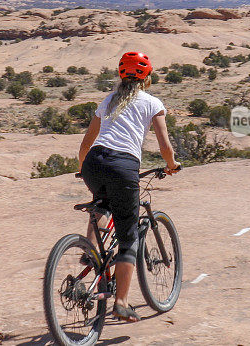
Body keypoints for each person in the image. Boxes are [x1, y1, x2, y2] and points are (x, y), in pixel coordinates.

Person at [77, 51, 180, 323]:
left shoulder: (109, 99)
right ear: (147, 77)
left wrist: (82, 169)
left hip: (94, 162)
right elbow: (165, 146)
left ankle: (91, 254)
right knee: (128, 239)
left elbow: (87, 141)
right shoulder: (152, 102)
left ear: (121, 75)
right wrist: (171, 164)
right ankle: (121, 302)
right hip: (123, 167)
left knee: (101, 203)